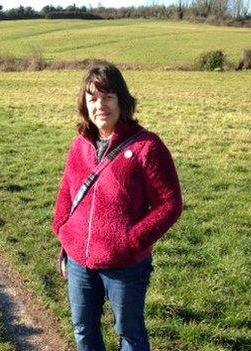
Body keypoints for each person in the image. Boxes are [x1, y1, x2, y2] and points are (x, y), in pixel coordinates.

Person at [51, 64, 183, 351]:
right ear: (85, 106)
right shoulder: (80, 144)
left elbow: (170, 204)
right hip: (79, 262)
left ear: (122, 100)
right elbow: (67, 190)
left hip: (125, 264)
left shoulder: (147, 146)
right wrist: (63, 230)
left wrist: (132, 241)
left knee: (130, 334)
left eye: (108, 96)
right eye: (92, 99)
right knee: (83, 329)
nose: (101, 105)